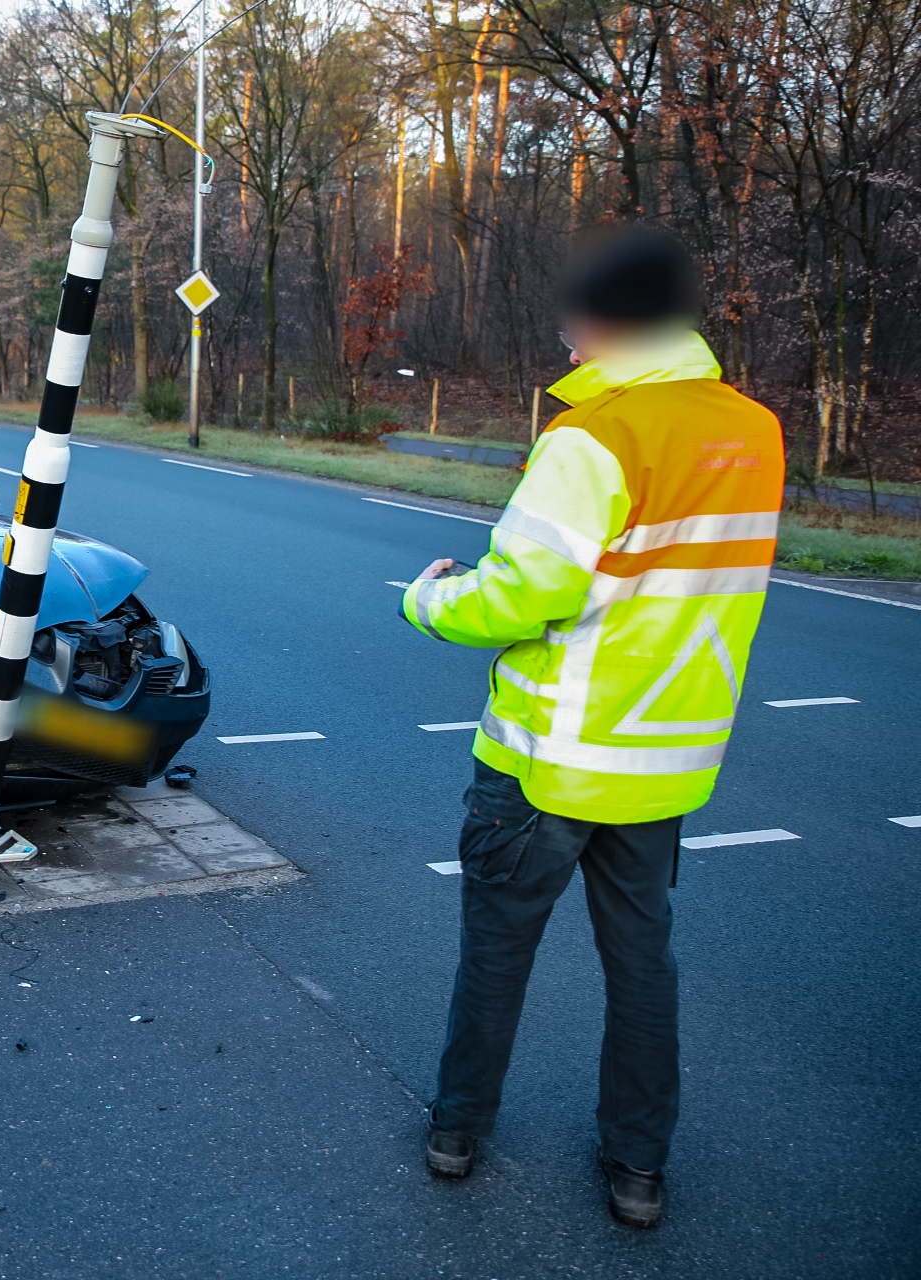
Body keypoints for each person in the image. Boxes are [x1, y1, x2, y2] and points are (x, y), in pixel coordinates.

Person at [400, 226, 783, 1229]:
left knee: (497, 952)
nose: (567, 343)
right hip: (665, 762)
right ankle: (638, 1171)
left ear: (614, 322)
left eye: (574, 322)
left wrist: (429, 601)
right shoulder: (755, 432)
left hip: (544, 762)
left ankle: (456, 1131)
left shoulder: (594, 439)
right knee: (643, 967)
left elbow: (522, 594)